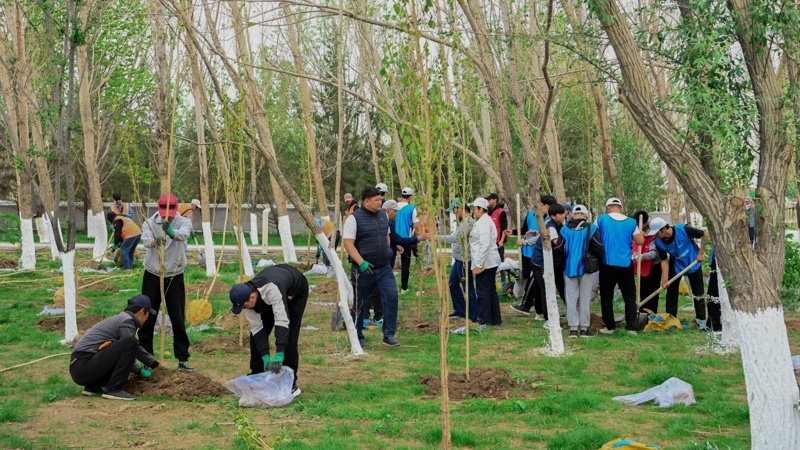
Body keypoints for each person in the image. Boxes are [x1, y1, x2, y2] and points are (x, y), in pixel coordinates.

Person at [229, 264, 308, 397]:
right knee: (255, 337)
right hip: (269, 296)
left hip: (295, 291)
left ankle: (290, 384)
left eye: (244, 305)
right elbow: (257, 329)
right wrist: (265, 356)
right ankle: (257, 376)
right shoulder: (249, 302)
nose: (243, 309)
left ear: (252, 298)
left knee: (289, 337)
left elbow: (281, 320)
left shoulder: (272, 289)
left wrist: (280, 353)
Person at [139, 193, 195, 371]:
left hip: (174, 274)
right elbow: (145, 241)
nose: (166, 216)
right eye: (164, 211)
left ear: (176, 208)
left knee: (177, 318)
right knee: (146, 317)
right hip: (153, 274)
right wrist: (155, 241)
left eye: (170, 211)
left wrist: (171, 232)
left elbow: (183, 235)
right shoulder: (149, 222)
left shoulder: (183, 222)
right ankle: (147, 359)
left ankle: (183, 359)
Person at [69, 295, 159, 401]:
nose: (147, 318)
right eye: (148, 314)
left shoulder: (122, 318)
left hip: (80, 369)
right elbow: (131, 347)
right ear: (142, 311)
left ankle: (93, 386)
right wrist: (139, 371)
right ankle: (114, 389)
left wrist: (153, 364)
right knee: (131, 342)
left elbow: (131, 349)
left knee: (123, 344)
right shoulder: (127, 321)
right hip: (83, 366)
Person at [343, 187, 401, 347]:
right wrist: (361, 262)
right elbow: (348, 243)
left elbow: (386, 236)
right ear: (366, 201)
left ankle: (388, 334)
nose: (380, 202)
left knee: (391, 297)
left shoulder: (383, 215)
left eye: (381, 200)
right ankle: (358, 336)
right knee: (360, 304)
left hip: (384, 269)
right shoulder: (354, 219)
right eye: (377, 200)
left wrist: (388, 251)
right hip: (363, 270)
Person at [648, 217, 720, 330]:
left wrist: (701, 253)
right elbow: (664, 260)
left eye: (656, 233)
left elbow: (705, 235)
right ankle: (671, 320)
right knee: (671, 292)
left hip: (693, 262)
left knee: (698, 293)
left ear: (663, 229)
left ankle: (700, 321)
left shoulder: (683, 229)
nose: (655, 235)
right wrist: (665, 279)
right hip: (676, 264)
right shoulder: (659, 242)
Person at [597, 197, 644, 335]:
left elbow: (593, 235)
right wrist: (640, 234)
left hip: (607, 263)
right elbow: (640, 241)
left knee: (607, 296)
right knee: (629, 296)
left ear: (608, 208)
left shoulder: (601, 219)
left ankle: (610, 327)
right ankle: (631, 327)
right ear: (621, 208)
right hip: (625, 263)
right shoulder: (631, 222)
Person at [558, 205, 603, 338]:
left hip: (569, 267)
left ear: (572, 215)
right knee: (584, 298)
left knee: (571, 298)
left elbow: (559, 248)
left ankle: (572, 329)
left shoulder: (565, 229)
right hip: (586, 268)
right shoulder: (591, 228)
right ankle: (584, 328)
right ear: (585, 215)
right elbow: (599, 247)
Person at [511, 195, 558, 317]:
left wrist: (525, 242)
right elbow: (540, 234)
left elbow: (544, 236)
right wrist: (534, 233)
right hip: (537, 257)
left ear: (546, 206)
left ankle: (545, 313)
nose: (539, 208)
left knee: (540, 285)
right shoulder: (540, 218)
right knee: (537, 283)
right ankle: (539, 311)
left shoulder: (550, 221)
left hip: (542, 258)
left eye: (540, 205)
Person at [526, 203, 567, 323]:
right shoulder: (551, 227)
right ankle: (548, 319)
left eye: (564, 213)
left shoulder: (561, 224)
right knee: (546, 289)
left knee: (556, 286)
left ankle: (541, 313)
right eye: (561, 214)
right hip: (540, 262)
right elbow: (557, 244)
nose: (563, 215)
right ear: (554, 216)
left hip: (553, 262)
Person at [439, 198, 477, 321]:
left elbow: (454, 238)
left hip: (464, 259)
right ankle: (460, 309)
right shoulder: (463, 222)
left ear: (461, 208)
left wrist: (436, 238)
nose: (454, 213)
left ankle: (473, 314)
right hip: (458, 259)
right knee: (453, 283)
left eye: (455, 210)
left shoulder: (467, 223)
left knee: (468, 287)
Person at [469, 197, 502, 330]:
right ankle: (494, 318)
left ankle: (484, 320)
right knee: (490, 290)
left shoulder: (483, 223)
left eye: (475, 209)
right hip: (489, 260)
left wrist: (479, 264)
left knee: (483, 291)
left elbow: (484, 244)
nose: (473, 211)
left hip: (485, 261)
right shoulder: (483, 221)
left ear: (481, 209)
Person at [383, 200, 429, 270]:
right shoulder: (388, 223)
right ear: (388, 211)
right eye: (395, 211)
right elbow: (399, 239)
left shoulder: (388, 221)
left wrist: (395, 245)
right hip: (400, 242)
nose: (396, 214)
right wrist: (419, 238)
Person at [631, 211, 662, 313]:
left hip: (654, 267)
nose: (638, 227)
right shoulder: (636, 233)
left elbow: (654, 253)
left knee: (652, 292)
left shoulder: (653, 234)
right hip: (641, 267)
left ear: (646, 223)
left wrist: (642, 256)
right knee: (642, 291)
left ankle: (651, 314)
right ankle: (641, 313)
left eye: (639, 225)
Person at [396, 187, 421, 291]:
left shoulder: (395, 207)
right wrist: (418, 238)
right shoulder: (411, 208)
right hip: (406, 239)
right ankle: (404, 287)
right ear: (410, 197)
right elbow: (416, 225)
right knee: (405, 263)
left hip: (394, 237)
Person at [705, 251, 723, 332]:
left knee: (717, 293)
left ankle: (715, 323)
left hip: (726, 260)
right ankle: (712, 322)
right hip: (716, 260)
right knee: (713, 293)